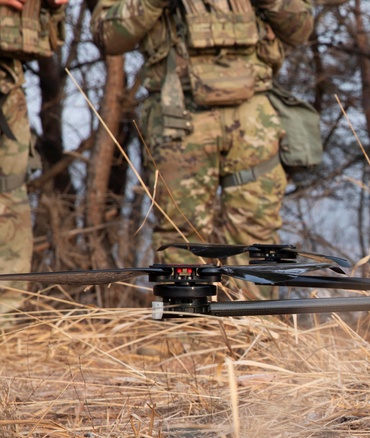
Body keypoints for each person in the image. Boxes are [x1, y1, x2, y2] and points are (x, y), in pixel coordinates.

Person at [90, 0, 314, 268]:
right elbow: (107, 36)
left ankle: (255, 311)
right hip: (179, 117)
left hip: (254, 118)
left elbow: (301, 29)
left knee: (260, 243)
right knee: (182, 240)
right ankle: (186, 311)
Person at [0, 0, 66, 320]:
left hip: (9, 83)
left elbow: (50, 39)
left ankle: (6, 319)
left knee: (11, 192)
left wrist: (51, 8)